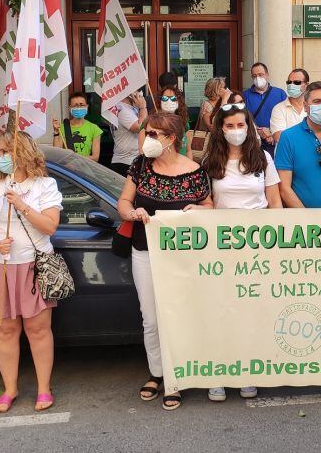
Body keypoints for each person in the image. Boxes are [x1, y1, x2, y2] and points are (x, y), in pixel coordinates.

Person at [117, 113, 213, 411]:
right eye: (147, 133)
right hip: (144, 251)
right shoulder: (140, 166)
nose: (148, 139)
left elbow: (209, 206)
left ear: (172, 139)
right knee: (152, 319)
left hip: (182, 258)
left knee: (179, 316)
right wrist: (132, 214)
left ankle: (177, 376)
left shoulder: (196, 171)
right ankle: (156, 373)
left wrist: (195, 209)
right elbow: (123, 203)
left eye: (156, 134)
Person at [0, 131, 63, 413]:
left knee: (38, 330)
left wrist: (22, 205)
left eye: (5, 151)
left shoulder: (45, 185)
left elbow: (50, 226)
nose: (0, 157)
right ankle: (10, 389)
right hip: (0, 267)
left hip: (34, 267)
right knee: (5, 330)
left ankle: (44, 388)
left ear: (22, 152)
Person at [203, 100, 282, 401]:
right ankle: (218, 372)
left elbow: (274, 203)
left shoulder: (262, 159)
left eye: (240, 125)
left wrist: (269, 241)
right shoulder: (211, 161)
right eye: (229, 126)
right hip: (222, 250)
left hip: (257, 249)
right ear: (220, 130)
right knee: (222, 310)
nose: (236, 130)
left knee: (251, 312)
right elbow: (207, 202)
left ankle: (248, 370)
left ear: (248, 126)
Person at [243, 62, 287, 156]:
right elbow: (243, 117)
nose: (257, 78)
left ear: (267, 75)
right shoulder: (245, 95)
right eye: (254, 75)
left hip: (274, 143)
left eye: (260, 75)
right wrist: (258, 131)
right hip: (254, 143)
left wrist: (271, 133)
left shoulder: (280, 93)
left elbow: (286, 116)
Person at [53, 91, 103, 161]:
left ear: (87, 107)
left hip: (84, 170)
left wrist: (75, 159)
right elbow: (57, 154)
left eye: (82, 105)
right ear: (70, 108)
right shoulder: (63, 127)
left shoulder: (94, 129)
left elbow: (95, 157)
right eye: (75, 105)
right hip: (68, 170)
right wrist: (56, 132)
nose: (79, 107)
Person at [110, 91, 148, 177]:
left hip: (131, 160)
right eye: (135, 89)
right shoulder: (122, 109)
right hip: (125, 162)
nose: (139, 92)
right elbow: (140, 127)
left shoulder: (130, 108)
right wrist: (143, 107)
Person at [270, 68, 309, 144]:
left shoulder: (313, 108)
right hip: (287, 155)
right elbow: (279, 137)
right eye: (289, 82)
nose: (291, 85)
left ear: (307, 85)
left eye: (297, 82)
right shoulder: (278, 109)